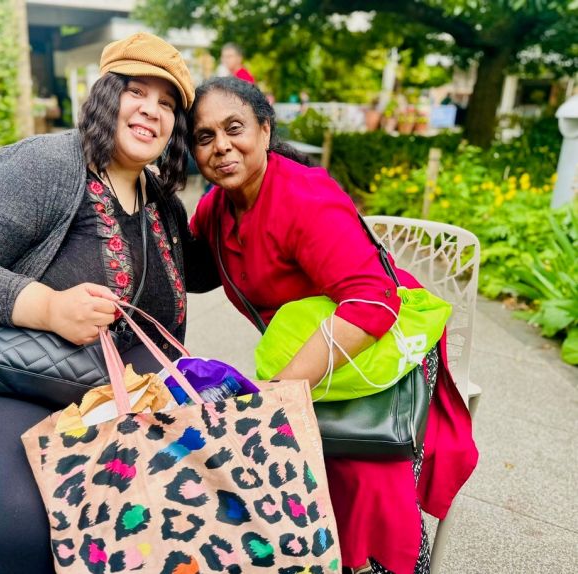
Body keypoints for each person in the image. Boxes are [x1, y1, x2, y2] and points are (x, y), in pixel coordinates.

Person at [0, 32, 217, 573]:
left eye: (168, 105)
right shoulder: (50, 164)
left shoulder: (162, 202)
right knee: (20, 525)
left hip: (108, 386)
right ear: (105, 94)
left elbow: (204, 270)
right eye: (137, 92)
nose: (152, 111)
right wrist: (47, 307)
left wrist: (258, 182)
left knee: (184, 496)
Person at [187, 77, 478, 574]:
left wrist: (282, 393)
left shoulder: (303, 196)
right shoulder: (219, 207)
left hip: (378, 343)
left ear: (264, 127)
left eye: (234, 128)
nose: (221, 146)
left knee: (363, 467)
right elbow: (190, 271)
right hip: (317, 353)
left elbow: (371, 303)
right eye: (204, 137)